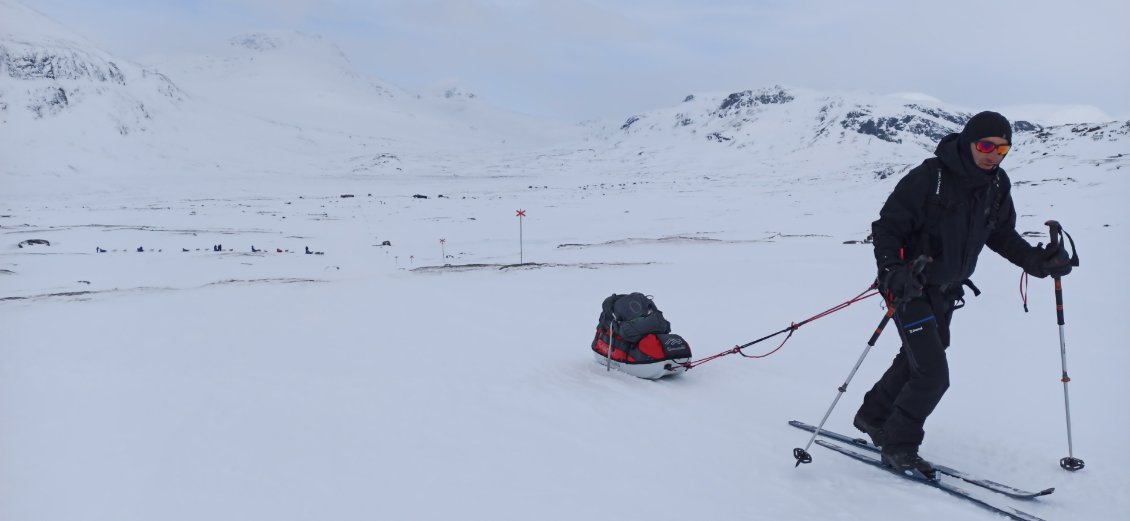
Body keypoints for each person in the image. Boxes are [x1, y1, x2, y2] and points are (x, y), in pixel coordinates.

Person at [853, 111, 1075, 477]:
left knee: (919, 360)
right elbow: (887, 228)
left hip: (944, 290)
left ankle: (872, 415)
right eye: (986, 145)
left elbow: (1001, 235)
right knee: (933, 374)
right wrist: (892, 273)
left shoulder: (997, 185)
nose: (994, 154)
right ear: (968, 141)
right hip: (909, 287)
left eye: (1003, 148)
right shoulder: (929, 178)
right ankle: (898, 444)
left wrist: (1037, 262)